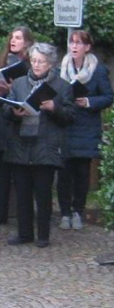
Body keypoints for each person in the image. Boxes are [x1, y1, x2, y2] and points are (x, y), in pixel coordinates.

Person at [1, 43, 74, 248]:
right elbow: (6, 108)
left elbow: (70, 117)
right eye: (33, 61)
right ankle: (24, 233)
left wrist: (54, 107)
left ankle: (43, 234)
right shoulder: (19, 83)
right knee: (22, 193)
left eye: (41, 61)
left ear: (50, 64)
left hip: (45, 145)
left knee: (43, 194)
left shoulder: (62, 86)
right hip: (21, 142)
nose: (36, 65)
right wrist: (14, 112)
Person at [57, 30, 112, 230]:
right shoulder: (61, 69)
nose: (74, 46)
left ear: (87, 47)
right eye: (72, 42)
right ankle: (64, 213)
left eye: (79, 43)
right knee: (64, 173)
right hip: (65, 125)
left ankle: (77, 211)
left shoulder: (98, 70)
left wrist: (89, 101)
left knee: (82, 173)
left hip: (86, 127)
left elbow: (108, 96)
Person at [0, 26, 34, 227]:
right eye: (12, 38)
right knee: (2, 170)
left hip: (22, 123)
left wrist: (13, 90)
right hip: (4, 122)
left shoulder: (31, 65)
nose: (13, 41)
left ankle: (24, 216)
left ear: (27, 42)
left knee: (22, 173)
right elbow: (0, 103)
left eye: (18, 38)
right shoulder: (4, 64)